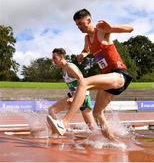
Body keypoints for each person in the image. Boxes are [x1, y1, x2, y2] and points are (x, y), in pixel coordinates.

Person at [47, 9, 133, 141]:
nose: (79, 27)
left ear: (89, 20)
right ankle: (115, 143)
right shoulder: (87, 38)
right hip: (107, 80)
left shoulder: (101, 30)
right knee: (97, 113)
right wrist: (83, 54)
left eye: (81, 23)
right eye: (77, 25)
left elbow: (130, 28)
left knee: (84, 82)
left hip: (119, 74)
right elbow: (87, 49)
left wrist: (111, 28)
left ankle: (63, 123)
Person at [47, 48, 95, 135]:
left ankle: (104, 137)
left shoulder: (70, 67)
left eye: (54, 58)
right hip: (73, 96)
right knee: (52, 110)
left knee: (91, 126)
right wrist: (72, 96)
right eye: (52, 58)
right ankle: (59, 130)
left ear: (61, 57)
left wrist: (74, 97)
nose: (53, 60)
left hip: (83, 97)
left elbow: (82, 81)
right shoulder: (64, 69)